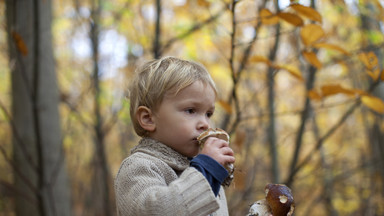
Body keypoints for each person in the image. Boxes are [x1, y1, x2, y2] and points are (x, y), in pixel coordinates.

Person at [114, 56, 236, 216]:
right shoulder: (138, 167)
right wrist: (205, 171)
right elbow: (154, 211)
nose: (205, 124)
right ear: (148, 119)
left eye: (208, 114)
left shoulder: (202, 170)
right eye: (191, 110)